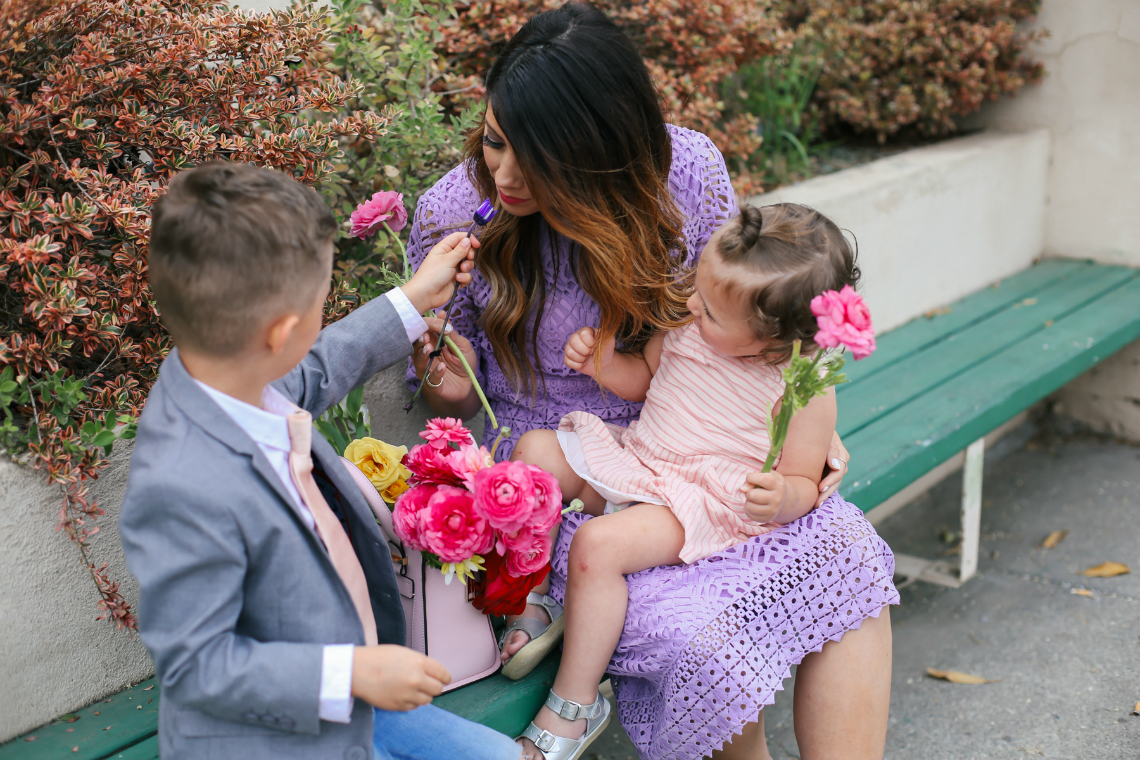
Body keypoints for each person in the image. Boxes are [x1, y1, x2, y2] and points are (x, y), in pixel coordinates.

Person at [405, 4, 896, 758]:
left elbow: (749, 321)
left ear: (600, 153)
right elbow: (459, 395)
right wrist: (439, 365)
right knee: (705, 642)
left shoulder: (686, 173)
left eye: (534, 160)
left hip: (702, 449)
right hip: (563, 479)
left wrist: (802, 433)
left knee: (847, 555)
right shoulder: (452, 213)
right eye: (495, 140)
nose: (502, 173)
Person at [118, 162, 521, 760]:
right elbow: (197, 666)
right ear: (281, 332)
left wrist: (414, 298)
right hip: (279, 736)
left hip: (356, 699)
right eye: (320, 302)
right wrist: (351, 675)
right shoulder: (180, 483)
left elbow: (318, 365)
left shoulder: (227, 375)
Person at [509, 203, 877, 759]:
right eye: (697, 293)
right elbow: (646, 381)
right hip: (641, 458)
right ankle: (532, 596)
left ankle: (574, 703)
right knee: (534, 451)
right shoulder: (688, 326)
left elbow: (805, 481)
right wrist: (603, 365)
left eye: (708, 310)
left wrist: (781, 498)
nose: (688, 305)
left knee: (596, 546)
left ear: (769, 342)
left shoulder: (802, 386)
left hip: (696, 501)